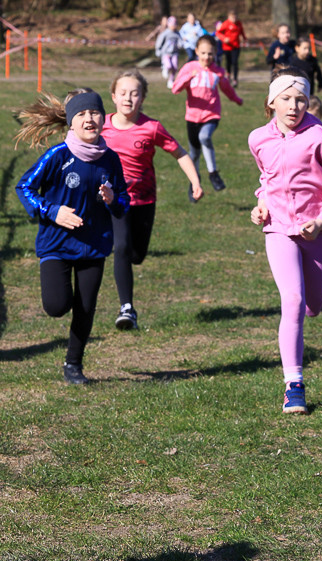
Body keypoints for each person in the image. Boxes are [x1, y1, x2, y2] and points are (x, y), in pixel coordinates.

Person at [249, 69, 322, 414]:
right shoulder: (257, 139)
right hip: (278, 229)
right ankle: (293, 385)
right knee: (292, 300)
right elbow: (267, 177)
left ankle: (306, 312)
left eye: (300, 99)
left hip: (315, 232)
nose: (293, 106)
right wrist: (262, 201)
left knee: (313, 304)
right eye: (286, 99)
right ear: (271, 102)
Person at [14, 88, 130, 385]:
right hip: (57, 245)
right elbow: (24, 187)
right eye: (81, 114)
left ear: (103, 118)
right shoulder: (57, 155)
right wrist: (52, 212)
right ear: (71, 122)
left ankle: (73, 365)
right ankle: (70, 357)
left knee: (86, 307)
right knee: (56, 306)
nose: (89, 118)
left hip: (94, 245)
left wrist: (113, 198)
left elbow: (124, 203)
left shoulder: (110, 159)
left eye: (94, 112)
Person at [102, 70, 203, 331]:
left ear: (143, 98)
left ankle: (131, 263)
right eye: (123, 93)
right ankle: (127, 308)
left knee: (137, 255)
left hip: (145, 200)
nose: (128, 98)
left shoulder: (152, 127)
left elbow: (180, 153)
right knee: (121, 247)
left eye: (134, 93)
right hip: (116, 200)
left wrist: (195, 181)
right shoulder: (102, 126)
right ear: (113, 97)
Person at [171, 34, 243, 192]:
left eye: (210, 53)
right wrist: (188, 78)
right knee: (194, 154)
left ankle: (213, 173)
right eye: (203, 53)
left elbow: (227, 89)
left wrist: (236, 99)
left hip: (211, 115)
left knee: (205, 137)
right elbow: (175, 88)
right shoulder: (190, 68)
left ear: (215, 53)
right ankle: (194, 183)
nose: (207, 57)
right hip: (192, 117)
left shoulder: (218, 72)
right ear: (197, 51)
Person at [215, 10, 246, 87]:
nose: (234, 18)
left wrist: (244, 39)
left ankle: (235, 79)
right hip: (227, 47)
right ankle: (228, 74)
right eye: (232, 17)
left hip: (236, 46)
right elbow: (218, 33)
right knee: (228, 62)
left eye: (235, 16)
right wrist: (224, 38)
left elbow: (242, 32)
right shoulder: (225, 24)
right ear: (229, 17)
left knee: (235, 63)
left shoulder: (239, 23)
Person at [154, 16, 182, 89]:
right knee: (169, 65)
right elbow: (159, 41)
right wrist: (158, 49)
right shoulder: (165, 33)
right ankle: (164, 67)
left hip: (174, 53)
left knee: (175, 67)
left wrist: (180, 45)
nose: (174, 26)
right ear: (169, 25)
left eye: (175, 25)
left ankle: (171, 80)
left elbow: (180, 41)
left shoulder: (177, 33)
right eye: (172, 25)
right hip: (166, 53)